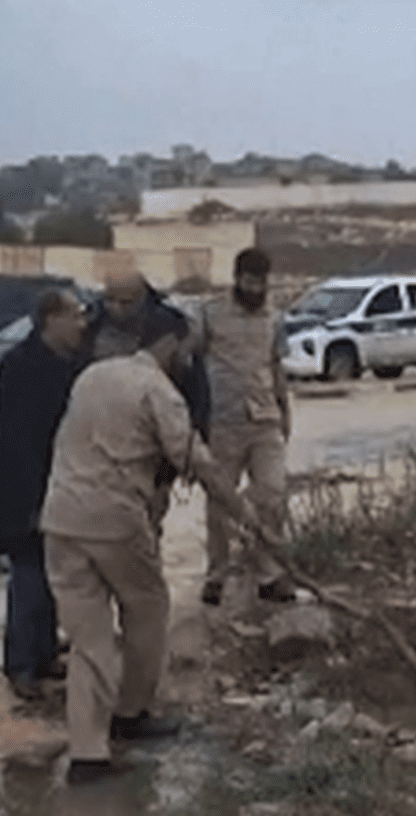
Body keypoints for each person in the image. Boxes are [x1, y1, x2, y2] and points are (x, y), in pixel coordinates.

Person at [41, 312, 269, 786]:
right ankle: (132, 711)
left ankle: (88, 755)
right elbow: (199, 464)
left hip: (60, 520)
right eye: (189, 351)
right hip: (115, 520)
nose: (192, 361)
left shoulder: (92, 375)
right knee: (148, 608)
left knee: (89, 640)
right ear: (171, 346)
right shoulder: (159, 392)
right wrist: (244, 515)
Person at [0, 288, 88, 701]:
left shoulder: (68, 365)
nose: (82, 324)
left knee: (51, 577)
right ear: (51, 319)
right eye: (75, 316)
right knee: (28, 579)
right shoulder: (21, 367)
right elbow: (17, 444)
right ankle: (21, 666)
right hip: (25, 491)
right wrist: (31, 503)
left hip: (58, 486)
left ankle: (43, 656)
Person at [196, 247, 296, 605]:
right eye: (250, 281)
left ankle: (269, 574)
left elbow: (276, 367)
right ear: (237, 279)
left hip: (264, 420)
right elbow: (193, 364)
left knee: (271, 494)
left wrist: (285, 411)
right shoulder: (210, 314)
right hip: (223, 422)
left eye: (261, 282)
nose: (256, 289)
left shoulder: (274, 316)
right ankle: (217, 576)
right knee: (220, 505)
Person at [81, 270, 211, 531]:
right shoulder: (92, 327)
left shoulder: (169, 328)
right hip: (94, 455)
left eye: (125, 303)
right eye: (110, 300)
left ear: (142, 298)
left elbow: (194, 392)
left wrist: (178, 467)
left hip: (149, 454)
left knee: (142, 535)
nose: (115, 309)